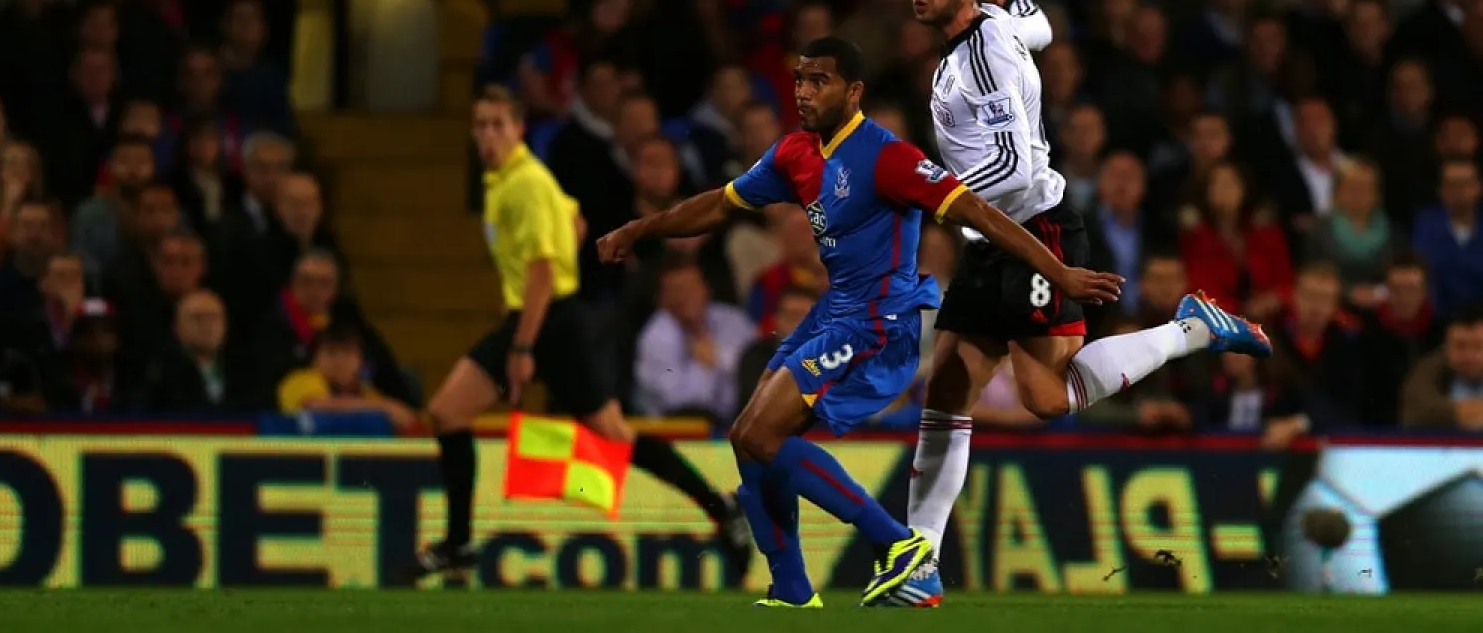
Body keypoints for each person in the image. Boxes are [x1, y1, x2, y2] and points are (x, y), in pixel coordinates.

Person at [596, 37, 1123, 608]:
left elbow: (978, 212)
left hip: (879, 323)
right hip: (835, 314)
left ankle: (902, 550)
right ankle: (794, 590)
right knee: (749, 441)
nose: (803, 91)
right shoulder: (795, 153)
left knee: (759, 437)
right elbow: (721, 205)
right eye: (799, 79)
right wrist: (640, 229)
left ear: (853, 92)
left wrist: (1058, 271)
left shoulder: (886, 156)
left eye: (818, 80)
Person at [895, 0, 1272, 606]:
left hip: (1036, 229)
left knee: (1046, 395)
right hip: (990, 238)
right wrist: (1021, 4)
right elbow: (1039, 32)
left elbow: (1014, 167)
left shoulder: (982, 58)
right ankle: (916, 567)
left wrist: (932, 192)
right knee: (947, 391)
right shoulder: (991, 29)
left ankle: (1189, 330)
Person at [402, 86, 751, 582]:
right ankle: (720, 507)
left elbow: (543, 270)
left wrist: (523, 345)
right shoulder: (506, 179)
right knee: (465, 415)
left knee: (451, 413)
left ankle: (458, 541)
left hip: (545, 321)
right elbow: (574, 219)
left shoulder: (523, 182)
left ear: (519, 129)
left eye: (498, 124)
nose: (488, 135)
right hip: (542, 317)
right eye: (480, 125)